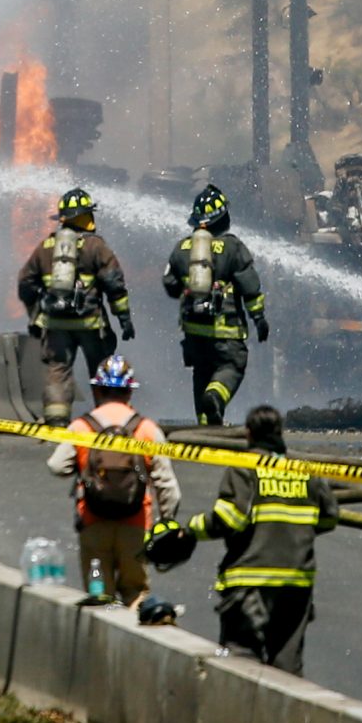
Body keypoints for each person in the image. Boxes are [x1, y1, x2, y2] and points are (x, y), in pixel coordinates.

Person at [174, 403, 336, 675]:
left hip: (250, 583)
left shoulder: (245, 468)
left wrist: (189, 529)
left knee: (240, 666)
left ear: (248, 434)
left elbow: (230, 518)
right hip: (295, 584)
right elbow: (329, 517)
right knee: (287, 669)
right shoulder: (305, 471)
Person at [45, 355, 179, 606]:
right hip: (136, 527)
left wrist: (81, 468)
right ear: (129, 392)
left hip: (94, 525)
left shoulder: (83, 427)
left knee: (99, 597)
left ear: (97, 390)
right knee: (136, 593)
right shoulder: (147, 429)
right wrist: (166, 524)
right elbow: (168, 488)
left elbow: (56, 465)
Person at [16, 186, 136, 422]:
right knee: (100, 371)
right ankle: (106, 421)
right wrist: (124, 319)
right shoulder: (96, 247)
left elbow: (25, 284)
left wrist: (35, 316)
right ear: (86, 216)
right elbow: (115, 285)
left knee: (58, 371)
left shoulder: (46, 248)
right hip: (91, 325)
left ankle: (57, 421)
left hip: (56, 325)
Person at [160, 184, 268, 426]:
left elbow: (170, 284)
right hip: (226, 331)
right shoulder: (233, 247)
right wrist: (259, 318)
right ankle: (216, 397)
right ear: (223, 218)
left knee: (202, 372)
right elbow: (250, 287)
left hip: (194, 332)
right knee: (232, 365)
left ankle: (205, 423)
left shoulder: (182, 248)